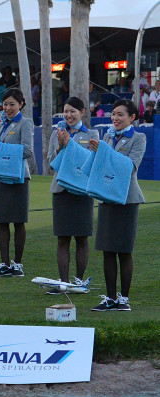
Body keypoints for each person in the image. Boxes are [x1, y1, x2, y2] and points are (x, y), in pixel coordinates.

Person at [88, 99, 146, 311]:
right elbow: (100, 164)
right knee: (107, 251)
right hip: (107, 197)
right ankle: (111, 298)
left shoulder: (139, 138)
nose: (115, 118)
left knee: (124, 251)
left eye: (120, 114)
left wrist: (105, 151)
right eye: (113, 114)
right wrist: (96, 152)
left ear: (132, 117)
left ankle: (124, 299)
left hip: (127, 200)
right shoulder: (108, 136)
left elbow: (130, 167)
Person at [47, 96, 98, 293]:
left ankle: (78, 280)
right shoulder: (57, 133)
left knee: (82, 238)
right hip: (61, 191)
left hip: (83, 192)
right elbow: (52, 162)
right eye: (66, 111)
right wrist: (61, 146)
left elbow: (93, 160)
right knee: (63, 239)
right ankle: (63, 282)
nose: (69, 115)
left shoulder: (92, 133)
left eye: (73, 112)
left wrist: (72, 146)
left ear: (82, 113)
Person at [0, 88, 34, 278]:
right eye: (5, 104)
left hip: (18, 177)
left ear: (21, 104)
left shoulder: (25, 123)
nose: (7, 108)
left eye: (12, 104)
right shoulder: (2, 123)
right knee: (2, 221)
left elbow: (28, 151)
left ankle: (17, 264)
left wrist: (1, 147)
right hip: (2, 176)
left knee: (18, 222)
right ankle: (4, 263)